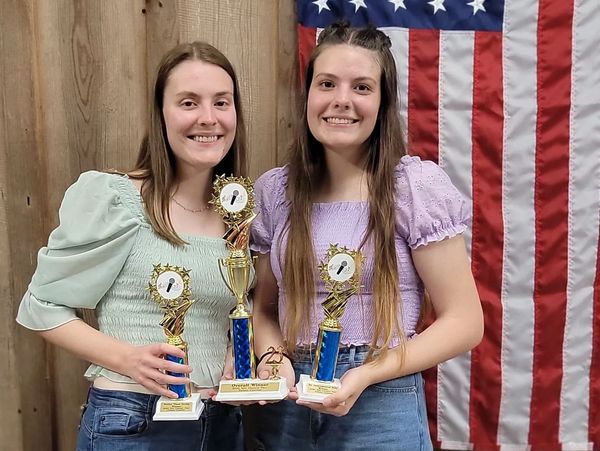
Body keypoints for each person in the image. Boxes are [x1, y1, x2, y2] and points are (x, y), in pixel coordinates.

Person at [249, 22, 484, 450]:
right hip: (288, 403)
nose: (342, 100)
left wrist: (369, 373)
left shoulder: (412, 188)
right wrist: (272, 358)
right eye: (327, 84)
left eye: (361, 87)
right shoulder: (275, 192)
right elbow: (263, 308)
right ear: (308, 95)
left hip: (380, 394)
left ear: (382, 102)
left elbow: (465, 322)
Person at [16, 41, 247, 450]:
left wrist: (235, 356)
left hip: (221, 423)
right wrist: (127, 359)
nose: (208, 118)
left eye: (221, 103)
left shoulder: (236, 211)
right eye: (189, 103)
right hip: (133, 422)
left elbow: (230, 311)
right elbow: (41, 307)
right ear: (161, 114)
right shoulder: (115, 197)